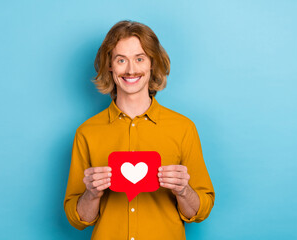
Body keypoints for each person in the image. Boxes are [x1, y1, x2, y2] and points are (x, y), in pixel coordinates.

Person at [64, 20, 215, 240]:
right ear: (109, 65)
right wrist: (92, 194)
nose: (131, 69)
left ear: (152, 63)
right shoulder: (86, 132)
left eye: (140, 58)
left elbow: (201, 211)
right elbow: (78, 219)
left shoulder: (184, 128)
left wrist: (183, 191)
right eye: (121, 60)